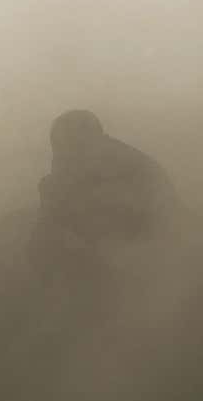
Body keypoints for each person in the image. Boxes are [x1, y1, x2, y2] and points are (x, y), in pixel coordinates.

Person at [27, 109, 179, 281]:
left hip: (146, 269)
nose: (62, 158)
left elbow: (122, 245)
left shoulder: (128, 172)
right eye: (60, 151)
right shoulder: (87, 164)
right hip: (128, 262)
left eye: (71, 149)